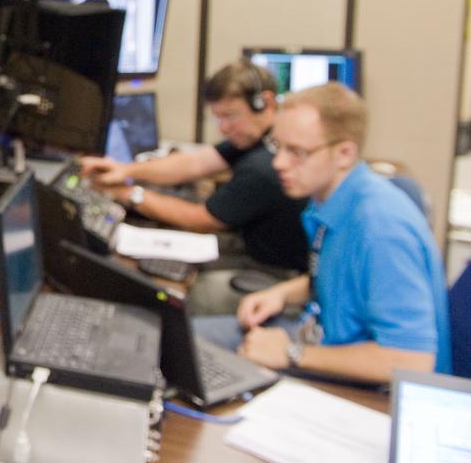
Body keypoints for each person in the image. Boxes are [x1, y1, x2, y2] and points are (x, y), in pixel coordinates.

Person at [221, 83, 451, 383]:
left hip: (374, 391)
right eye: (277, 146)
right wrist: (281, 294)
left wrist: (292, 353)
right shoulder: (332, 198)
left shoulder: (380, 229)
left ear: (344, 153)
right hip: (323, 338)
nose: (279, 163)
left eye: (297, 152)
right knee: (192, 349)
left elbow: (411, 360)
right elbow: (345, 275)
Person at [79, 61, 309, 274]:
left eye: (230, 116)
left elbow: (201, 219)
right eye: (218, 118)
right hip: (252, 246)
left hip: (270, 270)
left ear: (266, 103)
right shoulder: (259, 138)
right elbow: (195, 163)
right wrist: (125, 170)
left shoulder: (265, 165)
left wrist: (127, 192)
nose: (223, 128)